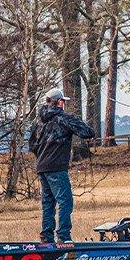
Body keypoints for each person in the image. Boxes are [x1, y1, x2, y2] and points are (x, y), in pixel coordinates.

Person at [28, 88, 96, 243]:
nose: (63, 104)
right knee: (65, 201)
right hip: (57, 167)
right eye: (63, 101)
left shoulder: (38, 122)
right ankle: (63, 236)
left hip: (42, 167)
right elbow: (87, 132)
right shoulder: (63, 118)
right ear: (59, 102)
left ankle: (46, 236)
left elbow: (32, 145)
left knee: (48, 202)